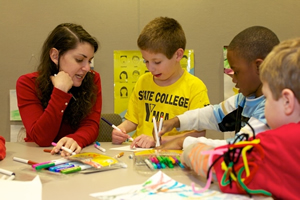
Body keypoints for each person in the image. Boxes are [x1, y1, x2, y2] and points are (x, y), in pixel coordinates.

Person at [181, 37, 300, 199]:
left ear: (287, 101)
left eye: (267, 97)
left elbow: (217, 164)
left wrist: (189, 150)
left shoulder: (278, 143)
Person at [157, 26, 280, 150]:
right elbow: (214, 115)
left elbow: (238, 147)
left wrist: (184, 142)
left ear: (259, 67)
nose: (232, 78)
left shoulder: (273, 108)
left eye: (236, 72)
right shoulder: (244, 98)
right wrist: (176, 121)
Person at [112, 17, 210, 148]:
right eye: (146, 61)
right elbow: (132, 120)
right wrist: (120, 130)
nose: (150, 68)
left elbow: (199, 134)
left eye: (157, 62)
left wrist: (159, 140)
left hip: (172, 156)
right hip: (138, 153)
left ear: (178, 55)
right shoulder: (143, 81)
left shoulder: (195, 87)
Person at [16, 23, 102, 156]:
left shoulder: (93, 79)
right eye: (79, 60)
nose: (87, 68)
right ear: (55, 56)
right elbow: (42, 138)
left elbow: (91, 124)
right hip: (39, 157)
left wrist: (76, 139)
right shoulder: (27, 83)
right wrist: (60, 92)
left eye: (89, 61)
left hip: (76, 156)